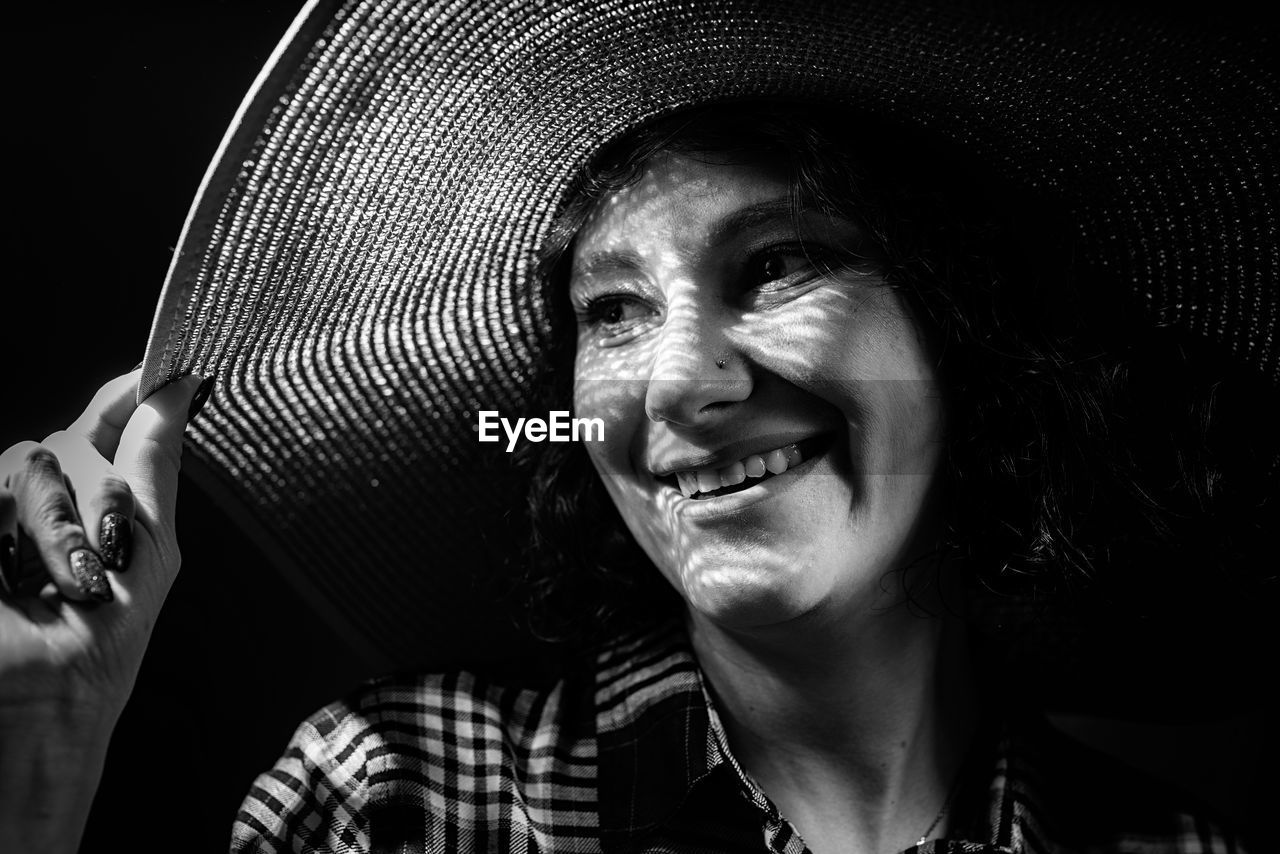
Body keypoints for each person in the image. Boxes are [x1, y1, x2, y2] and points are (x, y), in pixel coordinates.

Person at [2, 2, 1274, 852]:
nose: (672, 386)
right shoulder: (404, 798)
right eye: (610, 310)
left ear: (967, 339)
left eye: (777, 264)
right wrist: (36, 757)